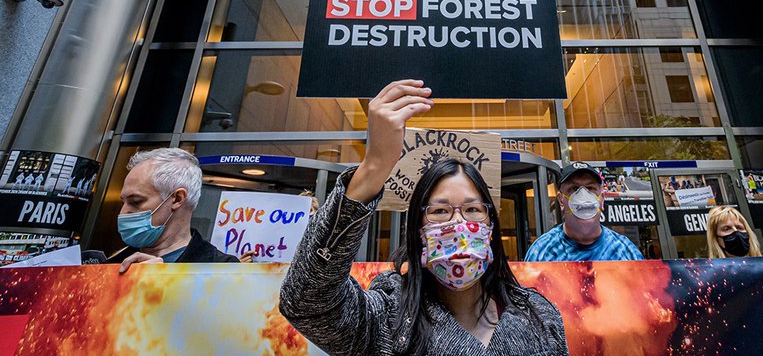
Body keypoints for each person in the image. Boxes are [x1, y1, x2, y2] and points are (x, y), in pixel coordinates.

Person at [279, 80, 568, 355]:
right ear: (419, 230)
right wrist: (374, 166)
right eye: (440, 211)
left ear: (491, 227)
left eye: (472, 210)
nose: (458, 224)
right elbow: (306, 302)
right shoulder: (386, 320)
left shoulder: (538, 316)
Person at [113, 147, 238, 272]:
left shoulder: (224, 270)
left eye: (136, 201)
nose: (123, 213)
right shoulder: (110, 264)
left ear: (177, 199)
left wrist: (164, 284)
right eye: (123, 202)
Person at [524, 162, 644, 261]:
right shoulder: (542, 252)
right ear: (561, 200)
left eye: (590, 188)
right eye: (574, 188)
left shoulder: (626, 252)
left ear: (601, 200)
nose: (583, 195)